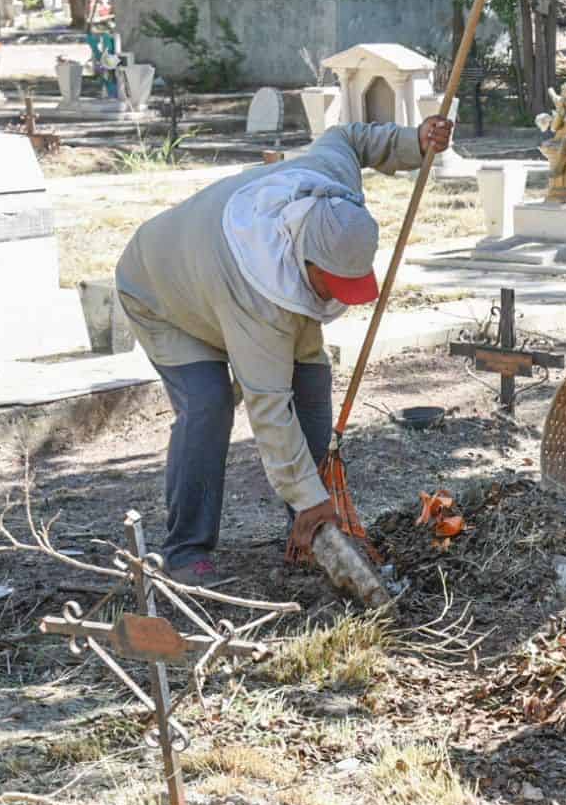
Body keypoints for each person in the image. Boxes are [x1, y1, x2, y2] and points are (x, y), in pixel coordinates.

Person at [116, 116, 453, 584]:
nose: (338, 296)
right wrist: (311, 497)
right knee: (209, 404)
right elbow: (270, 409)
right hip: (161, 291)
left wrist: (410, 141)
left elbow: (347, 139)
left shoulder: (330, 186)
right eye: (332, 285)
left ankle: (308, 535)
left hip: (215, 273)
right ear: (305, 259)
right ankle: (185, 551)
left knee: (312, 382)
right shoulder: (259, 300)